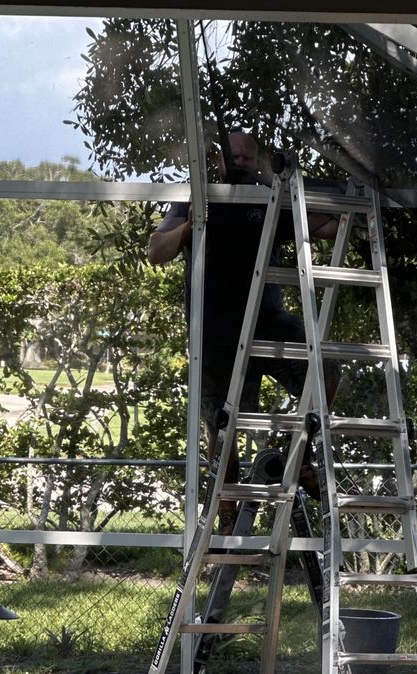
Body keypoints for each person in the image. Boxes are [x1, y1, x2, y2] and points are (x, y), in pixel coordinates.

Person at [148, 131, 341, 533]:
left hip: (266, 322)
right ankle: (227, 513)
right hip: (215, 331)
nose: (239, 162)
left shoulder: (269, 195)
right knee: (222, 427)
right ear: (217, 159)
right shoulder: (196, 197)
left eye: (247, 156)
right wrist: (192, 227)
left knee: (325, 370)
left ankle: (294, 459)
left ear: (259, 161)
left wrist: (296, 192)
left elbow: (328, 228)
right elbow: (157, 251)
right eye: (232, 155)